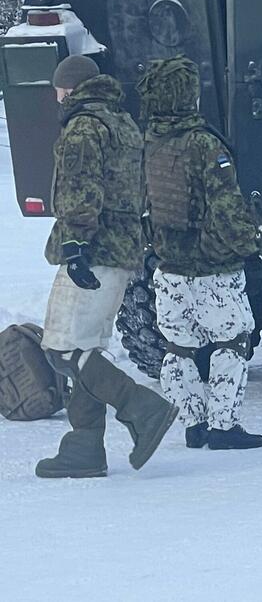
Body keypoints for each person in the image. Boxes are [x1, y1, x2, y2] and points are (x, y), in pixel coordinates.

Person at [36, 55, 178, 478]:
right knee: (84, 348)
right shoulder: (122, 122)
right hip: (121, 250)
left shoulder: (84, 126)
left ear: (71, 89)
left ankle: (143, 408)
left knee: (62, 348)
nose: (58, 97)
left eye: (60, 90)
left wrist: (76, 246)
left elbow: (82, 189)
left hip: (92, 250)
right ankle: (84, 448)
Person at [137, 56, 262, 450]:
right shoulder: (204, 144)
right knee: (232, 341)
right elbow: (226, 206)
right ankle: (224, 427)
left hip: (169, 265)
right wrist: (249, 246)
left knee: (179, 346)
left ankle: (192, 424)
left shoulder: (150, 142)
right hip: (213, 267)